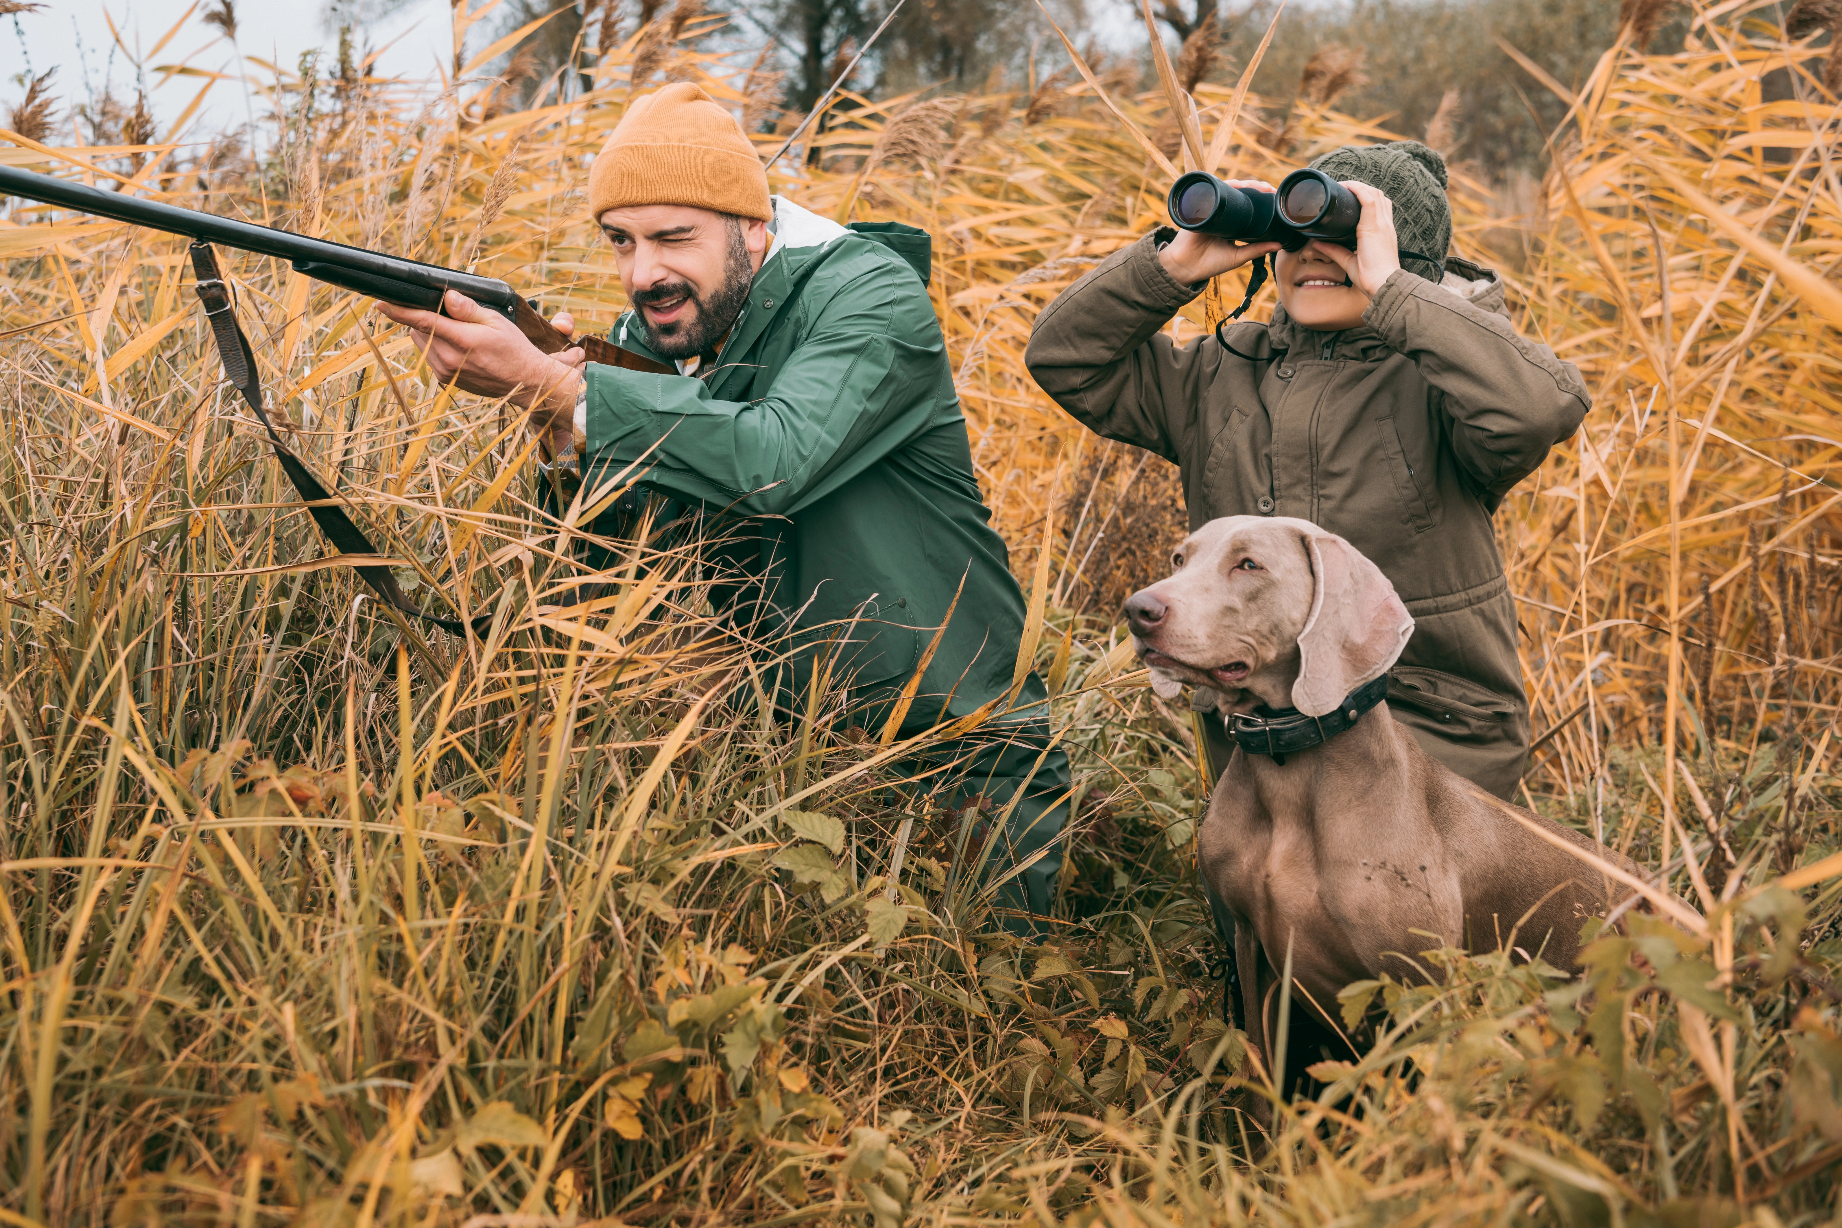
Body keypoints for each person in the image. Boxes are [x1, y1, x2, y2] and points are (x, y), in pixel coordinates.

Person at [377, 82, 1073, 924]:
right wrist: (558, 425)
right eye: (621, 241)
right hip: (785, 769)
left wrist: (565, 391)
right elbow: (607, 571)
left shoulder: (871, 296)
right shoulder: (659, 337)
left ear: (753, 228)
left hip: (951, 760)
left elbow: (774, 461)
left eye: (674, 238)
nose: (644, 274)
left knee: (990, 990)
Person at [1025, 141, 1589, 799]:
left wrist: (1396, 294)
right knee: (1250, 866)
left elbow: (1535, 409)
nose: (1314, 255)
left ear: (1402, 260)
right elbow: (1065, 359)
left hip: (1422, 731)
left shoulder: (1441, 386)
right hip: (1257, 732)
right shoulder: (1221, 372)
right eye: (1294, 235)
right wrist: (1172, 266)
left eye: (1345, 238)